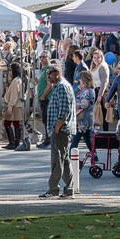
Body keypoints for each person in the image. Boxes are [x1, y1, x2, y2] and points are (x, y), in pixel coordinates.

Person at [41, 65, 76, 198]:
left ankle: (53, 188)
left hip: (61, 129)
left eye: (49, 73)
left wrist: (58, 126)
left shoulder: (62, 86)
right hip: (60, 129)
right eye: (47, 74)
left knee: (57, 159)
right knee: (64, 159)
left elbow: (64, 109)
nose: (48, 76)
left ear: (57, 73)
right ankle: (69, 189)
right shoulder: (58, 86)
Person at [70, 71, 97, 159]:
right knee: (87, 138)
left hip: (84, 118)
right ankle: (94, 156)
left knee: (76, 138)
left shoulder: (86, 91)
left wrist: (75, 104)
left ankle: (70, 154)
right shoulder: (90, 89)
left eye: (80, 79)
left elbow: (84, 104)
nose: (79, 81)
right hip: (88, 117)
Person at [1, 62, 24, 150]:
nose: (9, 72)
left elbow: (14, 95)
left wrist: (10, 106)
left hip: (14, 105)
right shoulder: (17, 80)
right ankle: (15, 142)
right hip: (16, 105)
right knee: (15, 123)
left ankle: (13, 142)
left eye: (10, 70)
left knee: (8, 123)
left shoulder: (16, 81)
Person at [35, 53, 54, 149]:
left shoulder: (48, 69)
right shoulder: (43, 69)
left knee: (47, 119)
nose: (41, 59)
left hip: (47, 98)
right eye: (40, 57)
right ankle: (47, 138)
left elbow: (50, 84)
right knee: (44, 119)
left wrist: (43, 95)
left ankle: (49, 140)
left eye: (44, 57)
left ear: (49, 58)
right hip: (42, 98)